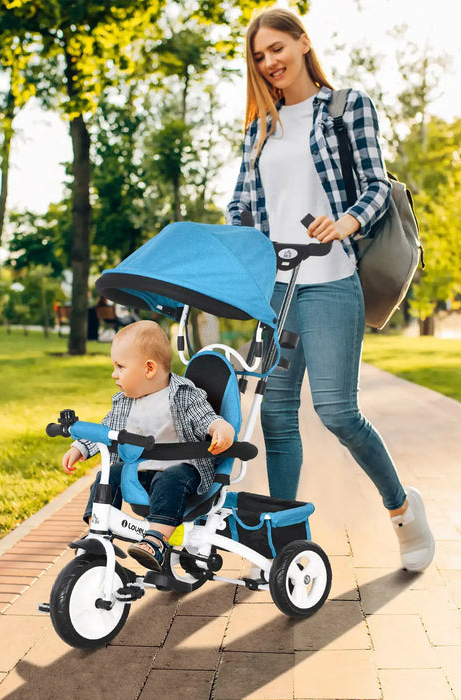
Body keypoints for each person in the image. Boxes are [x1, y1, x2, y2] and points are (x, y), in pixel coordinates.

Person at [225, 8, 434, 572]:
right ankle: (289, 542)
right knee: (276, 417)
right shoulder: (258, 128)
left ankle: (402, 509)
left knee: (339, 412)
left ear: (302, 42)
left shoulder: (347, 108)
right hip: (277, 291)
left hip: (333, 280)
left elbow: (374, 185)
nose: (269, 63)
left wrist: (345, 222)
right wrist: (234, 247)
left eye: (276, 48)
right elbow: (241, 205)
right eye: (259, 56)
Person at [61, 320, 235, 571]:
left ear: (149, 369)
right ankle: (97, 530)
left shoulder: (184, 395)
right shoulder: (124, 401)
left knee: (171, 478)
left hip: (182, 472)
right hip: (139, 471)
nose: (114, 374)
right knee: (109, 475)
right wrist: (80, 448)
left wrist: (221, 429)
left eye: (120, 367)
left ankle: (156, 539)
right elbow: (106, 429)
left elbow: (207, 419)